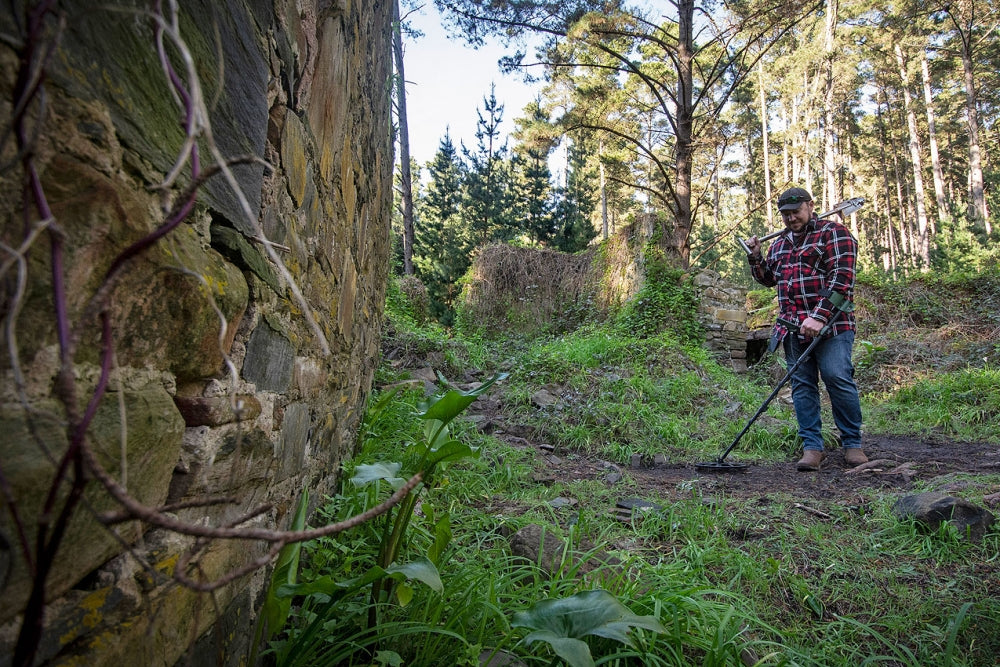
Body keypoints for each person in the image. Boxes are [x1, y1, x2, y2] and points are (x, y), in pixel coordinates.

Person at [747, 187, 868, 471]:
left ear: (810, 206)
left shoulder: (834, 233)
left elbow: (843, 280)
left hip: (834, 325)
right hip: (792, 328)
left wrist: (819, 316)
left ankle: (853, 444)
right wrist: (755, 256)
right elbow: (768, 279)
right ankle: (812, 448)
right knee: (802, 386)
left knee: (837, 376)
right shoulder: (779, 244)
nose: (791, 218)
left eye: (796, 212)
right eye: (785, 214)